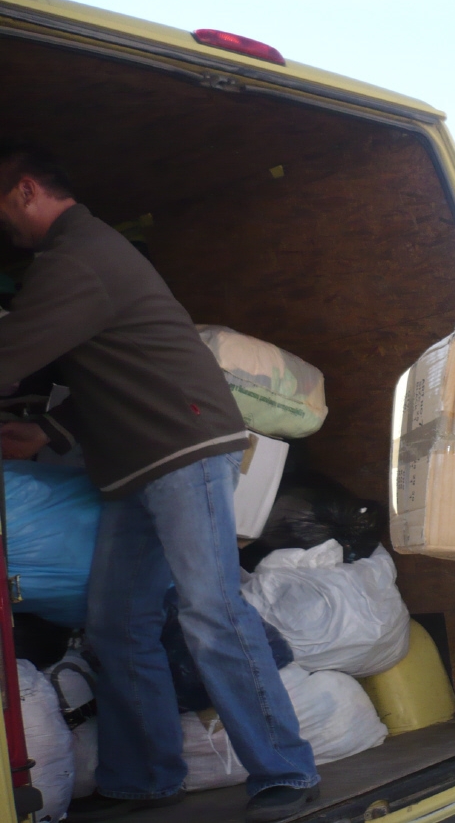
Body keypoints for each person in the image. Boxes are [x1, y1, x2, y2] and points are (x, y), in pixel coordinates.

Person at [0, 144, 320, 823]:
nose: (5, 228)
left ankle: (286, 771)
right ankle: (145, 775)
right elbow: (113, 370)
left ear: (26, 191)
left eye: (1, 209)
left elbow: (13, 351)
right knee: (116, 625)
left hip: (182, 451)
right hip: (134, 464)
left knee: (210, 612)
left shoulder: (77, 256)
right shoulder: (83, 260)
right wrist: (49, 432)